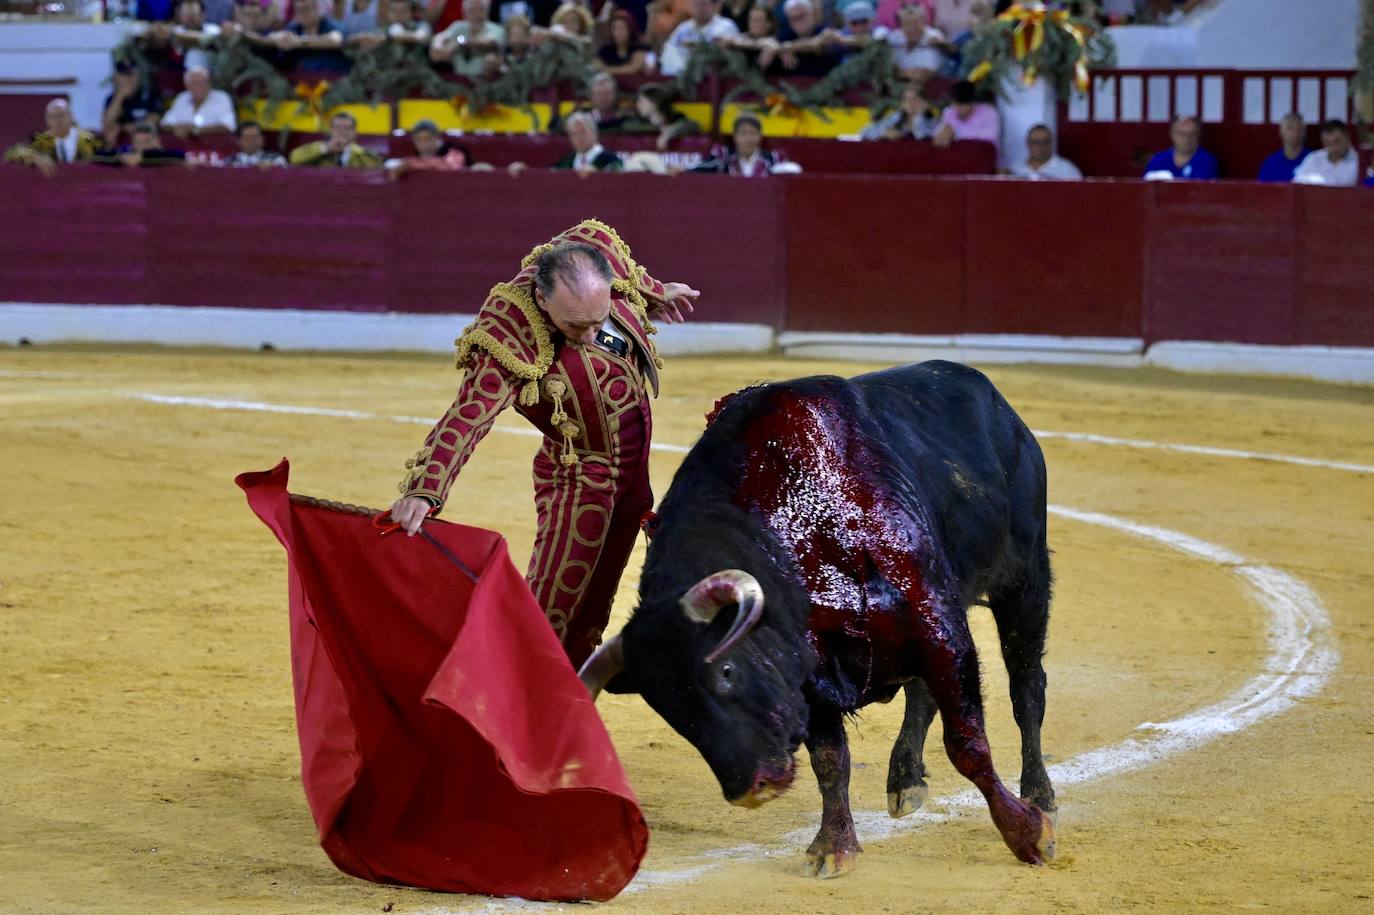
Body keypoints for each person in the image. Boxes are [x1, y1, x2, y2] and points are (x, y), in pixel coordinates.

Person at [388, 220, 701, 668]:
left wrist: (655, 292)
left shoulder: (596, 250)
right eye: (576, 326)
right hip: (581, 481)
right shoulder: (506, 334)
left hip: (633, 481)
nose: (591, 334)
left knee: (595, 607)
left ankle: (568, 696)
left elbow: (630, 276)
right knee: (553, 607)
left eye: (599, 320)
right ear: (541, 300)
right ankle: (519, 696)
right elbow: (468, 415)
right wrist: (425, 487)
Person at [4, 99, 104, 176]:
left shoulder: (89, 139)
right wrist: (34, 157)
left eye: (61, 115)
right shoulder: (41, 140)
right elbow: (11, 153)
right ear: (47, 121)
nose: (58, 120)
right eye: (53, 117)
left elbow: (111, 156)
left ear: (71, 117)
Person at [658, 0, 741, 77]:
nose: (699, 8)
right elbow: (668, 48)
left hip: (712, 75)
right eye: (696, 4)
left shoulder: (726, 26)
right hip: (680, 73)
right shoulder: (683, 28)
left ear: (713, 6)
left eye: (703, 4)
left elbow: (727, 54)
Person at [689, 114, 790, 176]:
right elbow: (701, 168)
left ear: (760, 137)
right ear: (735, 137)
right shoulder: (724, 157)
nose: (748, 139)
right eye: (743, 134)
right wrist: (682, 171)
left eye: (753, 134)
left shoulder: (773, 160)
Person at [429, 0, 504, 80]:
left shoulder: (496, 29)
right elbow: (440, 37)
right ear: (465, 13)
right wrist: (437, 45)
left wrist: (458, 43)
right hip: (459, 81)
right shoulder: (458, 26)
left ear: (487, 11)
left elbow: (488, 42)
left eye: (481, 10)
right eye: (472, 10)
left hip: (485, 82)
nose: (477, 15)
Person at [268, 0, 349, 72]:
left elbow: (335, 40)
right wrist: (280, 38)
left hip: (330, 77)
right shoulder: (295, 27)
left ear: (316, 8)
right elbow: (273, 36)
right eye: (299, 10)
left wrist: (299, 42)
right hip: (300, 80)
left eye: (306, 9)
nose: (303, 14)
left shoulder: (328, 24)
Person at [160, 66, 238, 137]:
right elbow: (165, 123)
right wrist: (177, 128)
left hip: (214, 147)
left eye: (204, 82)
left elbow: (228, 126)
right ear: (187, 86)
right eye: (195, 83)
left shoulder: (222, 97)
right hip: (184, 147)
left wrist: (196, 130)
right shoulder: (182, 98)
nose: (200, 86)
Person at [101, 63, 165, 146]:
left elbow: (154, 120)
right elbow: (107, 124)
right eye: (123, 76)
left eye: (131, 75)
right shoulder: (112, 98)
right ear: (116, 78)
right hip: (123, 145)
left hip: (147, 142)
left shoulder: (150, 94)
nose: (128, 80)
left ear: (137, 77)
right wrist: (120, 97)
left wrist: (124, 127)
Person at [289, 111, 384, 166]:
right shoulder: (319, 150)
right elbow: (294, 159)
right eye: (337, 128)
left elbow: (378, 168)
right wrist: (326, 148)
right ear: (330, 131)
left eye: (347, 128)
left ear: (355, 133)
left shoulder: (365, 156)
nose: (342, 132)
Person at [621, 84, 699, 150]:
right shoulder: (637, 121)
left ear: (654, 102)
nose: (637, 104)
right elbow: (628, 126)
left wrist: (668, 133)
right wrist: (657, 129)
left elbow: (693, 125)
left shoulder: (675, 118)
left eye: (641, 101)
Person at [1143, 114, 1218, 179]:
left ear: (1198, 135)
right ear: (1172, 134)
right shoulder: (1157, 161)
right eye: (1181, 134)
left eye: (1192, 134)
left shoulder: (1207, 162)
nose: (1187, 138)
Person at [886, 3, 948, 81]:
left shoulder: (934, 37)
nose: (911, 28)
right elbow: (883, 67)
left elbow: (923, 75)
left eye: (915, 22)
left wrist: (895, 72)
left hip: (926, 87)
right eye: (906, 23)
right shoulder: (894, 37)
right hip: (898, 84)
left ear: (924, 21)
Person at [932, 78, 998, 151]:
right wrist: (942, 133)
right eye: (956, 104)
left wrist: (955, 135)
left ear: (972, 102)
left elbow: (986, 145)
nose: (958, 108)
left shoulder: (988, 113)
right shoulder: (949, 113)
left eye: (962, 105)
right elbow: (937, 138)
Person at [859, 80, 938, 140]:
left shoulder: (934, 123)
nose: (910, 103)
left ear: (925, 103)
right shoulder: (895, 118)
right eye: (906, 99)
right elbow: (864, 133)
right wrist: (884, 134)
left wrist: (918, 117)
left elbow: (923, 138)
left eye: (915, 98)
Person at [386, 119, 468, 174]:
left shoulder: (454, 153)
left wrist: (411, 164)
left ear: (436, 137)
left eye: (428, 138)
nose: (424, 143)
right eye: (419, 140)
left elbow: (450, 169)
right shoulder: (409, 158)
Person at [1292, 119, 1359, 187]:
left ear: (1347, 137)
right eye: (1328, 143)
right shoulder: (1312, 159)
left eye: (1337, 142)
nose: (1333, 148)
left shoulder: (1359, 162)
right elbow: (1297, 184)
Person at [550, 112, 624, 171]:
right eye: (574, 134)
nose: (579, 137)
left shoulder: (612, 161)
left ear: (594, 133)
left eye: (583, 132)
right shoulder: (565, 162)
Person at [1009, 123, 1082, 179]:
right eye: (1036, 142)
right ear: (1028, 143)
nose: (1041, 146)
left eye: (1045, 141)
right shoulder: (1015, 168)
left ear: (1052, 143)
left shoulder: (1067, 169)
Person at [1257, 112, 1309, 183]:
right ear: (1281, 131)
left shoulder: (1312, 159)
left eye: (1300, 128)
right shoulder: (1270, 162)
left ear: (1305, 132)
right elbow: (1262, 189)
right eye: (1290, 128)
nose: (1295, 133)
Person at [597, 9, 649, 76]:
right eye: (615, 28)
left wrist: (606, 69)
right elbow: (597, 65)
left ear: (630, 29)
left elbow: (633, 68)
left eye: (622, 28)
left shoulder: (640, 48)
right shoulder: (605, 49)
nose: (618, 32)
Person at [224, 120, 288, 166]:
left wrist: (272, 169)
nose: (252, 141)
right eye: (247, 138)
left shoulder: (276, 160)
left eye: (255, 137)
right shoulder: (228, 163)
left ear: (262, 139)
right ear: (239, 141)